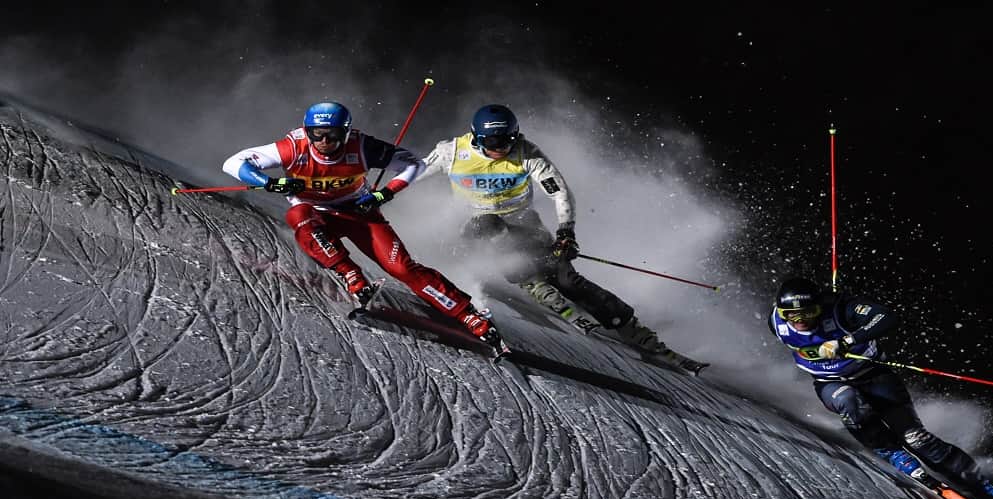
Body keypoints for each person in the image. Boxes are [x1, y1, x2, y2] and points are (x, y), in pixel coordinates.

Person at [417, 104, 697, 369]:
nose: (501, 148)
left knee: (565, 275)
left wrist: (566, 232)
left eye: (507, 141)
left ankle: (631, 328)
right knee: (490, 224)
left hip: (523, 220)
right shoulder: (452, 152)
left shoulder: (527, 153)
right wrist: (380, 191)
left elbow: (559, 191)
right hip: (474, 226)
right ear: (477, 139)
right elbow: (412, 173)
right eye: (493, 143)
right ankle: (531, 281)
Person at [221, 101, 502, 347]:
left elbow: (414, 164)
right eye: (316, 135)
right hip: (317, 215)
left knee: (401, 267)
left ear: (346, 132)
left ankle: (468, 315)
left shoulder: (362, 146)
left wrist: (385, 193)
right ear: (307, 132)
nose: (324, 142)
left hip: (359, 214)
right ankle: (351, 275)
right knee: (298, 217)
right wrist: (270, 182)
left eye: (332, 136)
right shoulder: (293, 148)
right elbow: (234, 163)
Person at [768, 275, 993, 499]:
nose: (799, 320)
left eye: (808, 312)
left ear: (820, 305)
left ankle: (977, 483)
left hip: (873, 375)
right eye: (790, 314)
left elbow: (886, 317)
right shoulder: (776, 323)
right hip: (830, 382)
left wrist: (846, 341)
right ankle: (891, 452)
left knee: (916, 438)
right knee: (848, 401)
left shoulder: (841, 310)